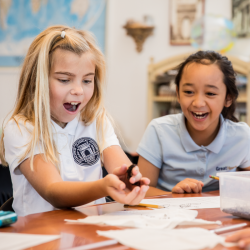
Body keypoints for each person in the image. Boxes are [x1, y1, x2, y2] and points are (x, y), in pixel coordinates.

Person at [0, 25, 149, 216]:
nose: (78, 90)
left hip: (92, 232)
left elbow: (120, 166)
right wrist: (103, 187)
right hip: (41, 236)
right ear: (38, 81)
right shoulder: (20, 128)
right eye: (64, 80)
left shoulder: (96, 119)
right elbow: (53, 190)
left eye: (87, 81)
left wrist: (130, 178)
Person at [137, 50, 250, 194]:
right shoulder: (159, 130)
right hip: (169, 213)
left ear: (228, 98)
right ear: (177, 93)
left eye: (210, 93)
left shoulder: (242, 137)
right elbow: (139, 191)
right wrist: (173, 194)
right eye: (189, 92)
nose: (198, 103)